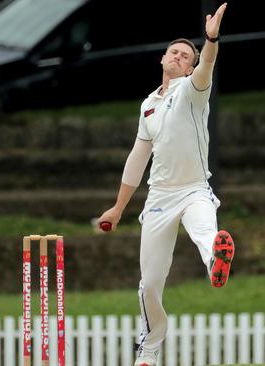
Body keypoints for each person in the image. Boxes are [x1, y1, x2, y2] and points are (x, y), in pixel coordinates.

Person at [96, 4, 234, 366]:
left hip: (193, 189)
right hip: (159, 197)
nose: (178, 57)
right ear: (162, 59)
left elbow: (208, 65)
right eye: (173, 52)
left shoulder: (193, 90)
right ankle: (151, 347)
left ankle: (215, 261)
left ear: (190, 66)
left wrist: (211, 39)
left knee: (207, 230)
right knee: (151, 282)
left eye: (185, 56)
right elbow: (137, 159)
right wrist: (117, 207)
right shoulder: (148, 105)